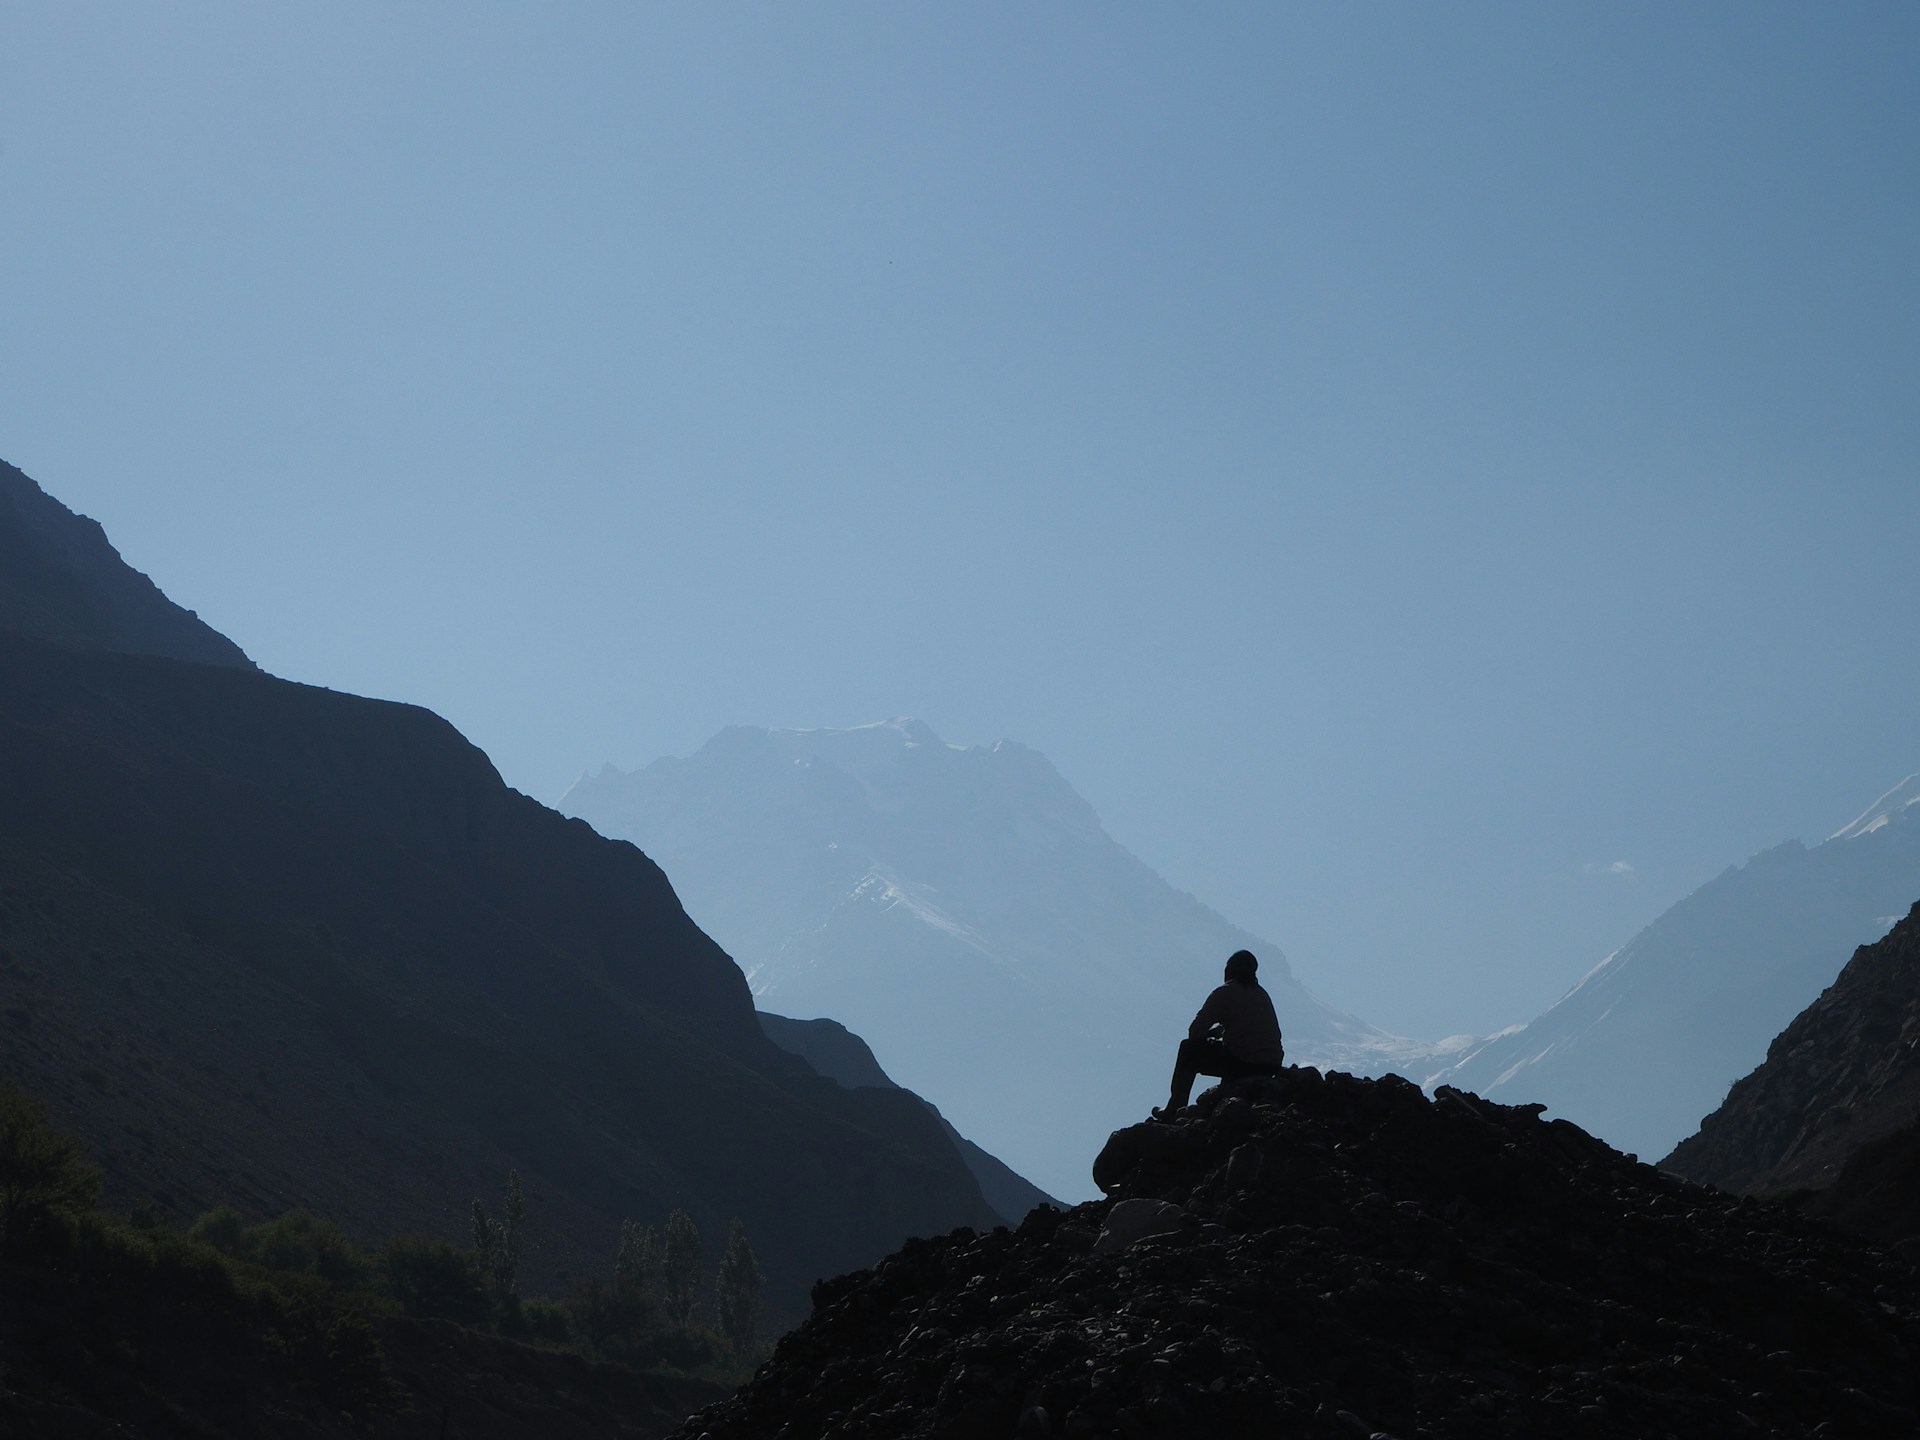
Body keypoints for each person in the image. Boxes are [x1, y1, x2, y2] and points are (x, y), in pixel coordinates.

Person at [1151, 949, 1284, 1120]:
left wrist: (1211, 1033)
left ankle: (1174, 1108)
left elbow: (1194, 1032)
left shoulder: (1224, 992)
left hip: (1243, 1062)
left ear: (1229, 970)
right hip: (1270, 1065)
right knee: (1233, 1049)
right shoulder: (1261, 994)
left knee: (1188, 1049)